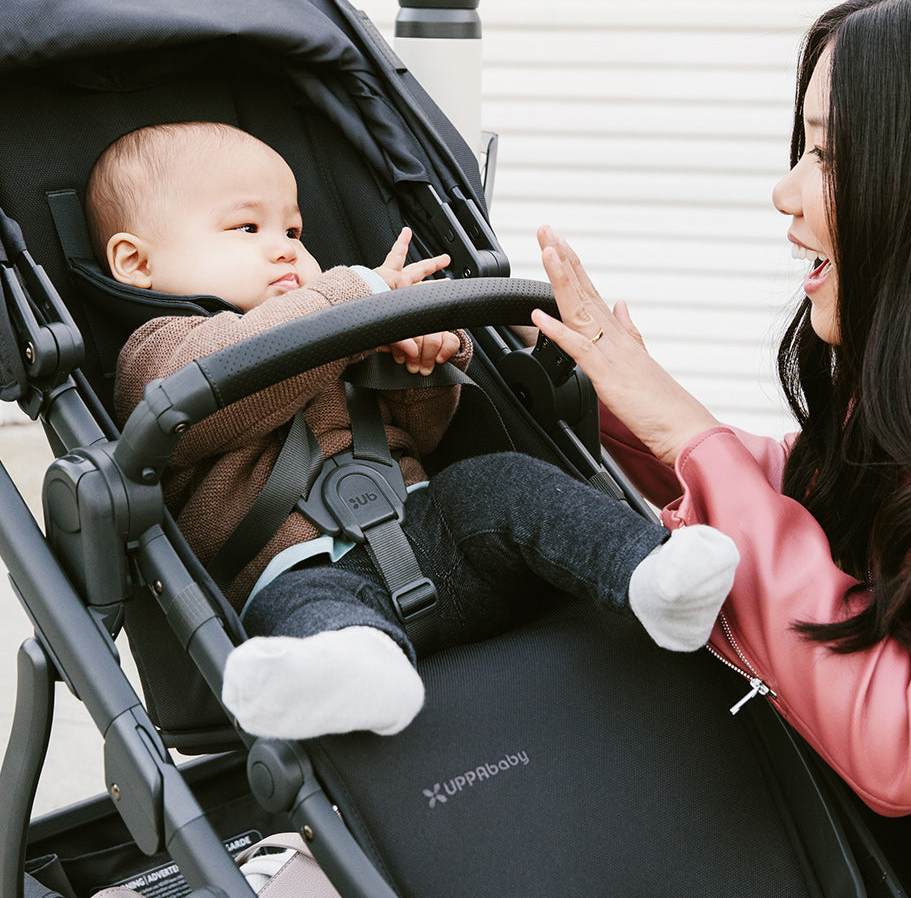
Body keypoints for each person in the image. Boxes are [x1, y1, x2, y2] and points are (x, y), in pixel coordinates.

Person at [89, 120, 739, 740]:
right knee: (295, 610)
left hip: (437, 534)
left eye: (294, 227)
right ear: (136, 263)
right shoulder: (159, 351)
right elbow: (227, 386)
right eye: (246, 226)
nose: (285, 245)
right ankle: (358, 672)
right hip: (305, 569)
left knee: (499, 483)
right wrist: (350, 298)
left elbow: (422, 437)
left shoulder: (341, 327)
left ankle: (648, 571)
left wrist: (422, 362)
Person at [530, 0, 911, 819]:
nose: (785, 191)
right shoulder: (903, 429)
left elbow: (901, 741)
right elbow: (818, 497)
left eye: (828, 154)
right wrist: (633, 409)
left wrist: (686, 433)